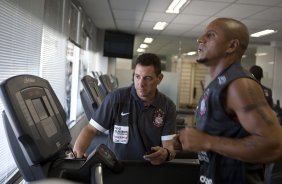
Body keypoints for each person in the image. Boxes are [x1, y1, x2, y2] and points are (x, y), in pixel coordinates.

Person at [177, 18, 282, 184]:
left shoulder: (239, 85)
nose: (200, 39)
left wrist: (207, 141)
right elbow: (221, 137)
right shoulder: (219, 84)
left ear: (232, 46)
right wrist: (179, 144)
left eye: (210, 36)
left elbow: (274, 145)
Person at [73, 53, 176, 165]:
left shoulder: (167, 106)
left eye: (147, 78)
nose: (141, 84)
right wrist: (76, 156)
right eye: (137, 76)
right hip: (116, 167)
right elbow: (90, 130)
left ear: (159, 79)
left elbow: (169, 146)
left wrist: (165, 153)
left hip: (149, 169)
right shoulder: (116, 98)